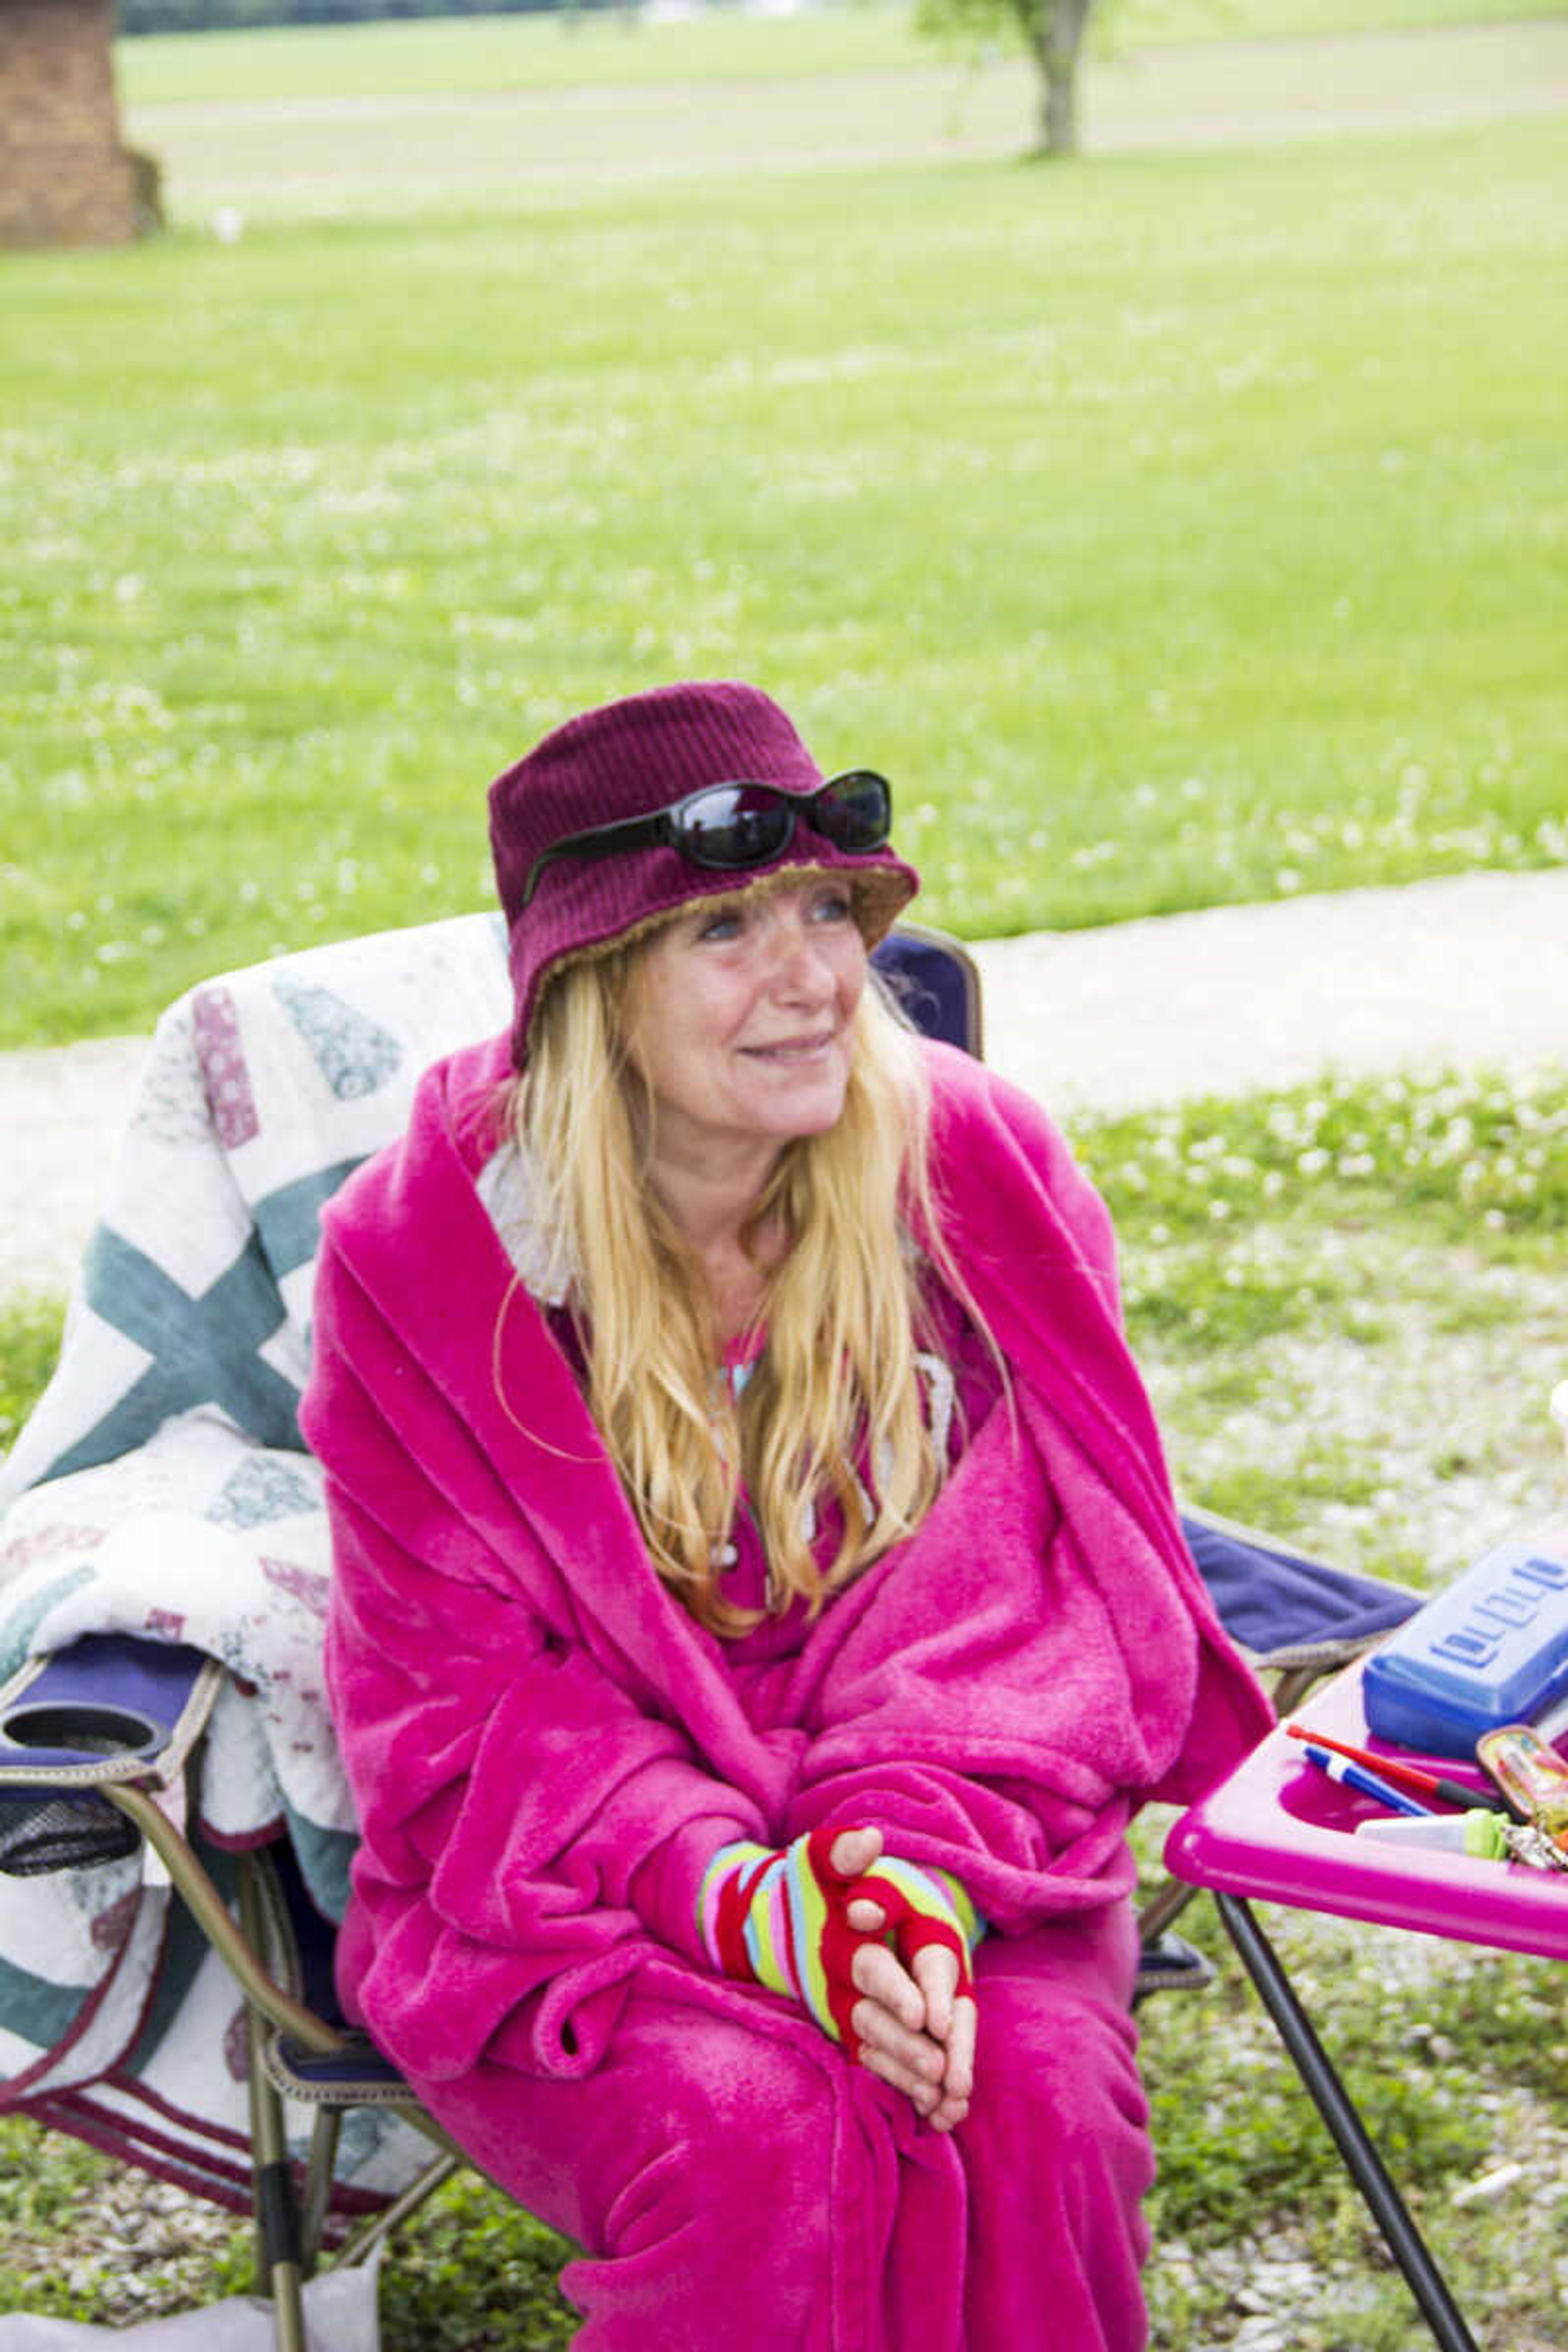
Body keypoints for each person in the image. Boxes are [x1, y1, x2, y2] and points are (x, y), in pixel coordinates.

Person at [300, 679, 1271, 2350]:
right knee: (763, 2141)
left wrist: (893, 1891)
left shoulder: (974, 1175)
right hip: (586, 1886)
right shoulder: (425, 1262)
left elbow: (1045, 1597)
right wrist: (755, 1906)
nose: (818, 981)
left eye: (833, 911)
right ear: (591, 986)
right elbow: (462, 1708)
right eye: (731, 931)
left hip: (963, 1827)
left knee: (1034, 2106)